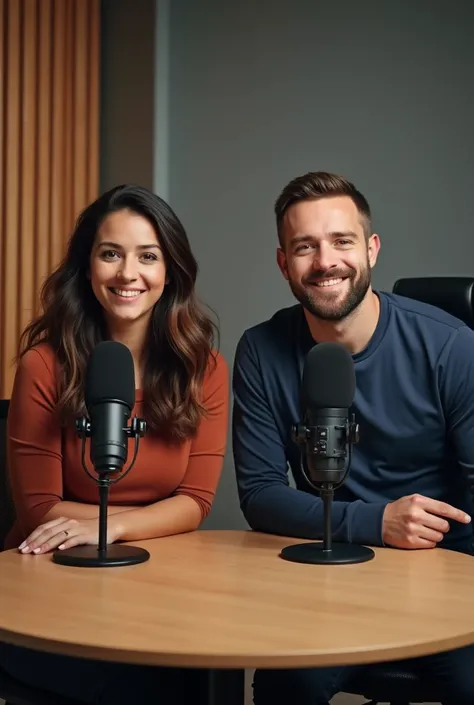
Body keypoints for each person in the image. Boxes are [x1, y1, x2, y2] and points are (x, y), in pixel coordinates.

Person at [232, 171, 474, 705]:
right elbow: (260, 495)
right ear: (282, 263)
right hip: (333, 567)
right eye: (305, 247)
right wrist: (377, 523)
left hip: (449, 573)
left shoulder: (452, 346)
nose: (325, 262)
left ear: (371, 249)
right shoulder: (260, 350)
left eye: (342, 241)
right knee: (284, 685)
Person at [0, 184, 229, 704]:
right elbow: (38, 509)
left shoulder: (206, 372)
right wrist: (151, 517)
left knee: (203, 669)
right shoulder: (44, 365)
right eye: (111, 254)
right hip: (46, 585)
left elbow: (194, 503)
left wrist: (115, 525)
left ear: (170, 272)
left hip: (154, 584)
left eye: (148, 256)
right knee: (144, 684)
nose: (128, 274)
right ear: (87, 268)